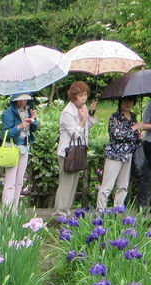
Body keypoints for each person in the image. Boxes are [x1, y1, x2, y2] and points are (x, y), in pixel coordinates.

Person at [55, 80, 95, 214]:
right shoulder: (68, 112)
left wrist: (91, 114)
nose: (84, 98)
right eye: (81, 95)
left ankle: (67, 209)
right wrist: (83, 120)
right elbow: (75, 133)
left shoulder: (82, 109)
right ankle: (60, 211)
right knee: (66, 183)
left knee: (73, 184)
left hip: (78, 151)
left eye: (85, 94)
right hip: (67, 152)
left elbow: (86, 130)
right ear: (74, 96)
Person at [97, 96, 140, 210]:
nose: (128, 103)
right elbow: (117, 135)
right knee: (107, 186)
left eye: (131, 100)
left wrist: (139, 135)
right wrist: (134, 128)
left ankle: (118, 211)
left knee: (123, 186)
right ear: (120, 102)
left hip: (128, 155)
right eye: (125, 101)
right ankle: (100, 212)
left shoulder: (133, 117)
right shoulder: (115, 117)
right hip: (114, 154)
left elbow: (134, 138)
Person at [0, 92, 36, 210]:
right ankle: (6, 210)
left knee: (19, 181)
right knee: (10, 182)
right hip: (13, 148)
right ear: (15, 100)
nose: (23, 102)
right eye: (20, 100)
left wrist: (34, 120)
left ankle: (14, 210)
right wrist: (19, 127)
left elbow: (34, 129)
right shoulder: (9, 112)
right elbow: (5, 133)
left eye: (25, 100)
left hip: (25, 147)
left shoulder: (28, 110)